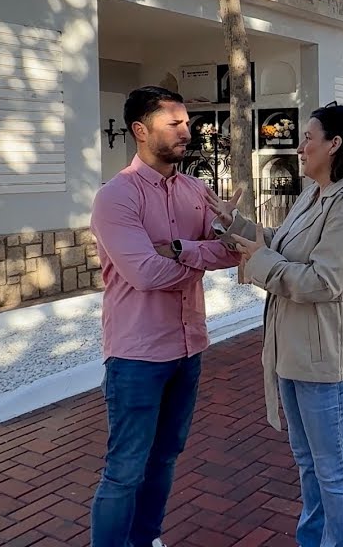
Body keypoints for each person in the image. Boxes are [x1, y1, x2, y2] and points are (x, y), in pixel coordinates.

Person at [216, 103, 343, 547]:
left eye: (310, 137)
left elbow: (322, 281)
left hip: (327, 353)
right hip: (292, 349)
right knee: (308, 462)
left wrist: (262, 262)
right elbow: (280, 245)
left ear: (335, 144)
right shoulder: (314, 193)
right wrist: (233, 224)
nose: (301, 146)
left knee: (331, 468)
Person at [89, 86, 243, 547]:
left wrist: (181, 248)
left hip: (189, 348)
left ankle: (146, 538)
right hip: (137, 356)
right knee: (125, 469)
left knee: (166, 457)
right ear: (140, 130)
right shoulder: (115, 197)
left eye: (187, 123)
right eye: (174, 123)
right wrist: (202, 256)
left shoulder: (196, 190)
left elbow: (232, 251)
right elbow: (145, 273)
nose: (186, 131)